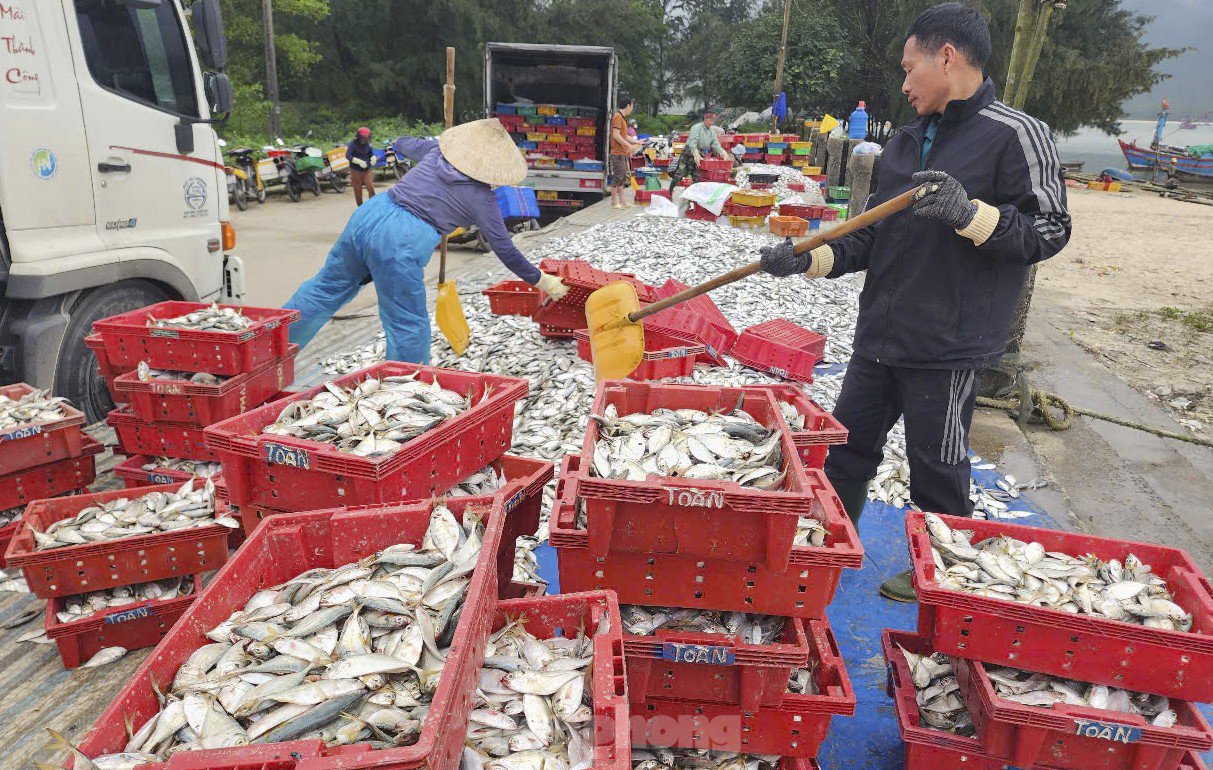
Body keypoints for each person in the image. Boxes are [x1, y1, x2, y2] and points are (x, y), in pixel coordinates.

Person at [758, 2, 1071, 601]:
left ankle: (946, 578)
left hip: (948, 346)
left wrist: (970, 214)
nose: (903, 84)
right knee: (844, 454)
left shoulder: (1016, 135)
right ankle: (833, 547)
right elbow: (872, 236)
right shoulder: (903, 144)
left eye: (910, 69)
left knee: (939, 470)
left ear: (946, 57)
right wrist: (808, 257)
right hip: (879, 336)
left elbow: (1050, 230)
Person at [285, 119, 570, 364]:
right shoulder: (482, 199)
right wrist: (541, 280)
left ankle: (270, 345)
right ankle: (405, 392)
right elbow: (505, 249)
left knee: (324, 288)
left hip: (369, 215)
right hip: (401, 241)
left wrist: (430, 142)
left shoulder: (435, 151)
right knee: (407, 323)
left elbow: (401, 143)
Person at [668, 108, 731, 190]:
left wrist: (722, 152)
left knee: (697, 176)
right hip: (689, 151)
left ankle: (694, 196)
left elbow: (715, 144)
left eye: (713, 120)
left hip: (701, 152)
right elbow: (692, 142)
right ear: (705, 119)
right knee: (681, 172)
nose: (712, 122)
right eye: (710, 120)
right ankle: (671, 189)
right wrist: (695, 153)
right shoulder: (696, 127)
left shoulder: (712, 131)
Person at [609, 96, 642, 209]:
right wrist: (629, 146)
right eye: (632, 106)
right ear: (628, 106)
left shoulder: (622, 118)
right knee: (617, 178)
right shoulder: (618, 117)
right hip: (617, 153)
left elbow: (624, 136)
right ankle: (614, 203)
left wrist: (636, 141)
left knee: (622, 178)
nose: (632, 109)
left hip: (622, 153)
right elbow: (616, 135)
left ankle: (622, 201)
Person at [346, 126, 376, 206]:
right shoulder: (352, 144)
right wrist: (358, 161)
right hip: (355, 171)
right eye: (364, 139)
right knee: (358, 191)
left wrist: (373, 157)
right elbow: (348, 155)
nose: (365, 141)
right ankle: (360, 207)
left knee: (371, 188)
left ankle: (372, 206)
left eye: (367, 139)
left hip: (366, 171)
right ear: (359, 138)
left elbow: (371, 153)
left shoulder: (368, 145)